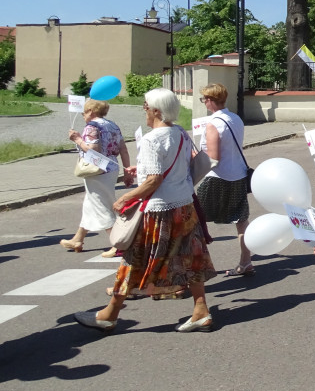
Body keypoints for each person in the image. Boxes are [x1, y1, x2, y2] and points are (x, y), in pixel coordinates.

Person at [73, 88, 217, 333]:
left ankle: (109, 315)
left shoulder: (152, 139)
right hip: (184, 204)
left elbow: (154, 180)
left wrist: (124, 198)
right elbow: (179, 167)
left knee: (134, 259)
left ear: (156, 110)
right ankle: (201, 309)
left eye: (145, 105)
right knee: (192, 258)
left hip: (159, 210)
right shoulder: (180, 132)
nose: (144, 109)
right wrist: (138, 172)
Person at [194, 83, 253, 276]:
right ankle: (246, 261)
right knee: (241, 220)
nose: (204, 102)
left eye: (204, 99)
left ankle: (196, 268)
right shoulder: (235, 118)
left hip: (217, 178)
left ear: (210, 100)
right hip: (239, 174)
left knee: (192, 220)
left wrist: (194, 154)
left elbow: (213, 157)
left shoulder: (214, 124)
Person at [63, 98, 131, 256]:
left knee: (102, 205)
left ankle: (119, 243)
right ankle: (78, 239)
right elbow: (123, 149)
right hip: (112, 167)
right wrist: (127, 170)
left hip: (97, 170)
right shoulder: (112, 125)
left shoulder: (92, 127)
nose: (83, 116)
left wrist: (78, 139)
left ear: (91, 112)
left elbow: (94, 150)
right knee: (90, 203)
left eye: (84, 112)